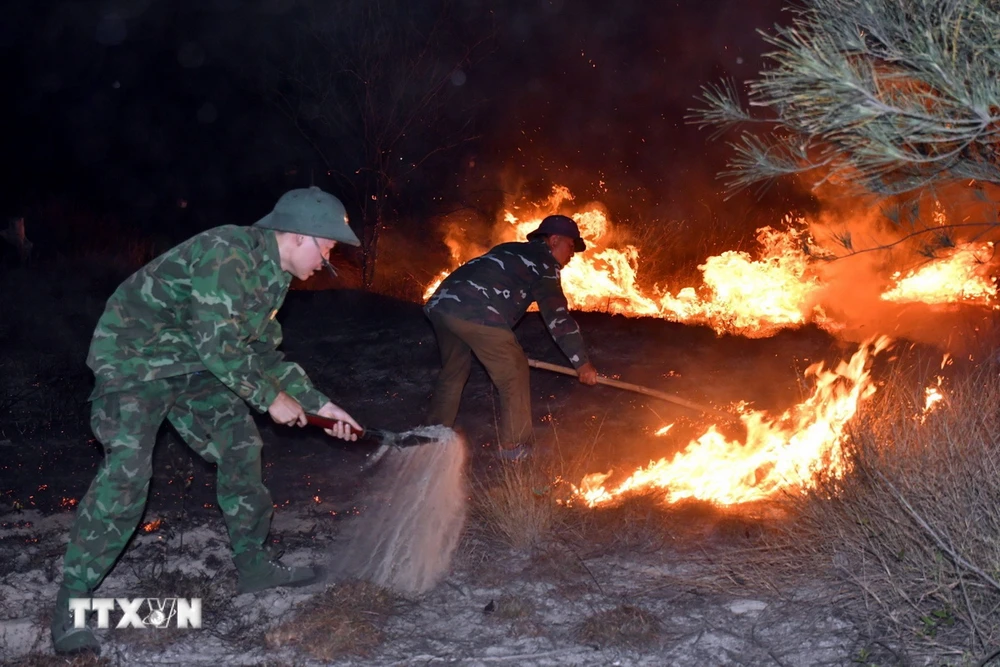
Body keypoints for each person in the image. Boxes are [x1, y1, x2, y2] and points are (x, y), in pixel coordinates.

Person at [51, 186, 363, 656]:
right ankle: (73, 598)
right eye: (329, 247)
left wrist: (320, 404)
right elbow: (221, 347)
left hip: (195, 366)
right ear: (300, 236)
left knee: (241, 447)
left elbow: (259, 354)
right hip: (134, 360)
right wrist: (268, 398)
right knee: (130, 469)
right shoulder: (226, 251)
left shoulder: (274, 277)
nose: (329, 260)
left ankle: (254, 566)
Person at [424, 214, 599, 460]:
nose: (572, 255)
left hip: (442, 306)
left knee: (454, 370)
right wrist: (582, 363)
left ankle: (432, 434)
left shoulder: (511, 249)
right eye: (571, 247)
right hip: (478, 312)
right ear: (554, 240)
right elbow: (557, 317)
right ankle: (514, 447)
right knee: (514, 371)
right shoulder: (544, 264)